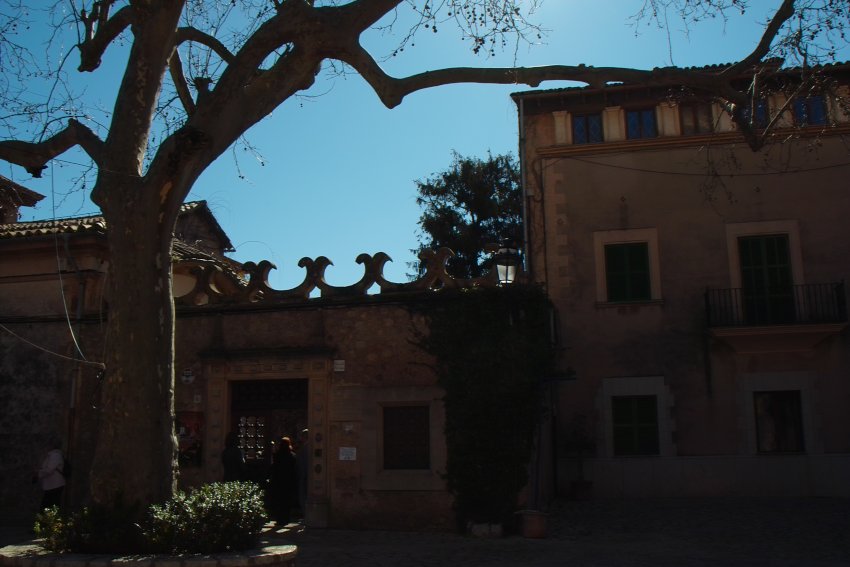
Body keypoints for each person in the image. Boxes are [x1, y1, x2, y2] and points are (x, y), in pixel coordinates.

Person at [267, 436, 297, 525]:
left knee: (279, 501)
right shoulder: (292, 456)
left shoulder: (277, 455)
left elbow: (274, 468)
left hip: (278, 481)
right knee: (287, 501)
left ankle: (279, 519)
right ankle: (286, 519)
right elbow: (294, 469)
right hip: (288, 481)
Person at [36, 440, 66, 511]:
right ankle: (50, 520)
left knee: (49, 506)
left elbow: (49, 470)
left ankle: (49, 521)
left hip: (54, 485)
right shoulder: (53, 455)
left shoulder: (55, 455)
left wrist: (38, 473)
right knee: (51, 505)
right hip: (53, 485)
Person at [296, 428, 310, 518]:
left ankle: (306, 514)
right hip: (306, 475)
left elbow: (303, 463)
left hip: (304, 475)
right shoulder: (307, 447)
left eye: (302, 436)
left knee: (304, 496)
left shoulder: (306, 448)